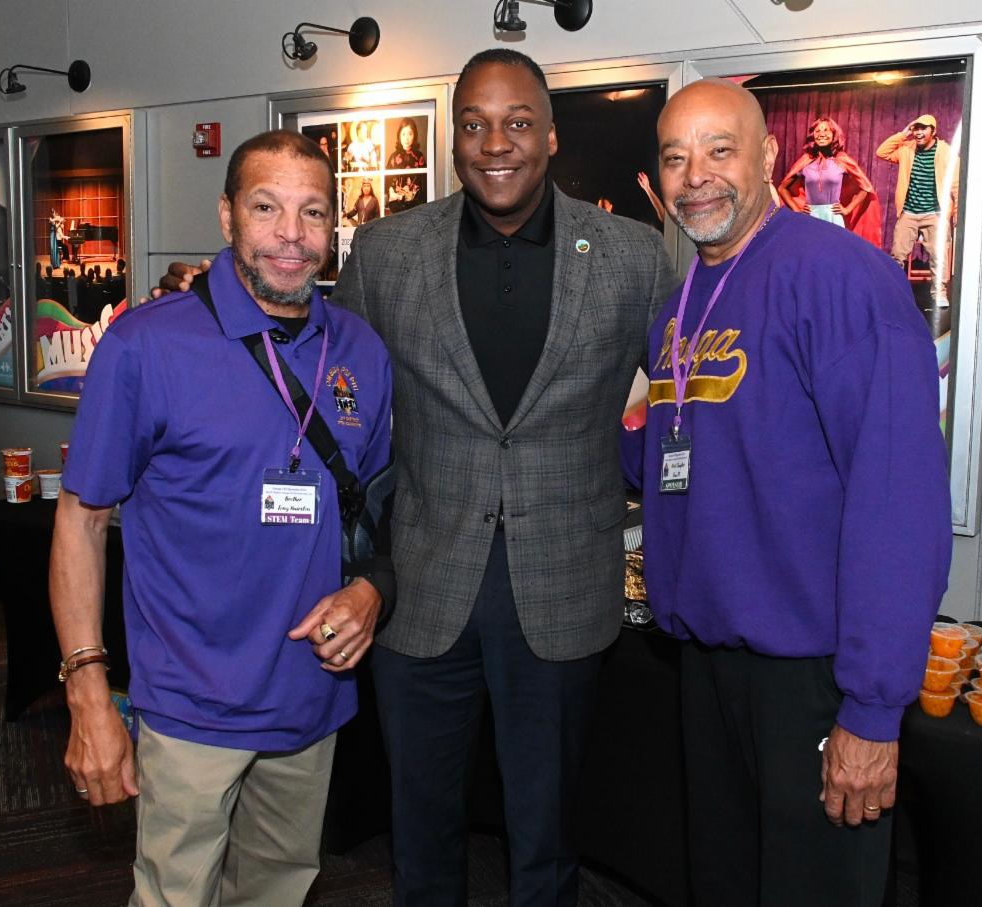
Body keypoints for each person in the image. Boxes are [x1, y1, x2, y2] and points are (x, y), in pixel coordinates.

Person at [158, 47, 674, 907]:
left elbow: (691, 403)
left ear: (551, 135)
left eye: (517, 123)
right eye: (474, 124)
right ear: (452, 138)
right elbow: (331, 401)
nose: (495, 143)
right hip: (421, 591)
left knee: (547, 838)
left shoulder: (632, 256)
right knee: (422, 835)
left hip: (562, 591)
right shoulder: (388, 252)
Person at [625, 79, 951, 906]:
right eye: (676, 157)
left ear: (770, 155)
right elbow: (679, 455)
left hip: (812, 677)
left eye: (720, 149)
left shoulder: (841, 278)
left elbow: (899, 501)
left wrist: (871, 708)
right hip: (708, 666)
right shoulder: (682, 304)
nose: (696, 175)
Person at [50, 130, 393, 907]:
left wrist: (372, 588)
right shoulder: (146, 345)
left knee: (277, 891)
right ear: (227, 215)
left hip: (310, 697)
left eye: (312, 212)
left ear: (334, 224)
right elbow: (81, 520)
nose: (291, 235)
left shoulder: (362, 352)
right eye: (266, 207)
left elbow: (378, 512)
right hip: (189, 705)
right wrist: (88, 691)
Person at [876, 114, 960, 306]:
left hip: (935, 213)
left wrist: (956, 211)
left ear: (933, 131)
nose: (919, 132)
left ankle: (939, 292)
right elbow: (882, 152)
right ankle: (893, 290)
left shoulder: (946, 152)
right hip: (909, 212)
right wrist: (903, 134)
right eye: (916, 128)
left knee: (938, 255)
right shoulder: (907, 149)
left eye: (923, 128)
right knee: (897, 254)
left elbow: (956, 184)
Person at [777, 116, 882, 247]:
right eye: (817, 131)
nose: (821, 134)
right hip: (810, 215)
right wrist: (796, 209)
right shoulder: (806, 160)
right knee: (810, 251)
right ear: (813, 136)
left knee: (834, 252)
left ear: (834, 135)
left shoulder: (842, 159)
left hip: (833, 215)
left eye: (826, 130)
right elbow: (782, 188)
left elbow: (865, 188)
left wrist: (848, 209)